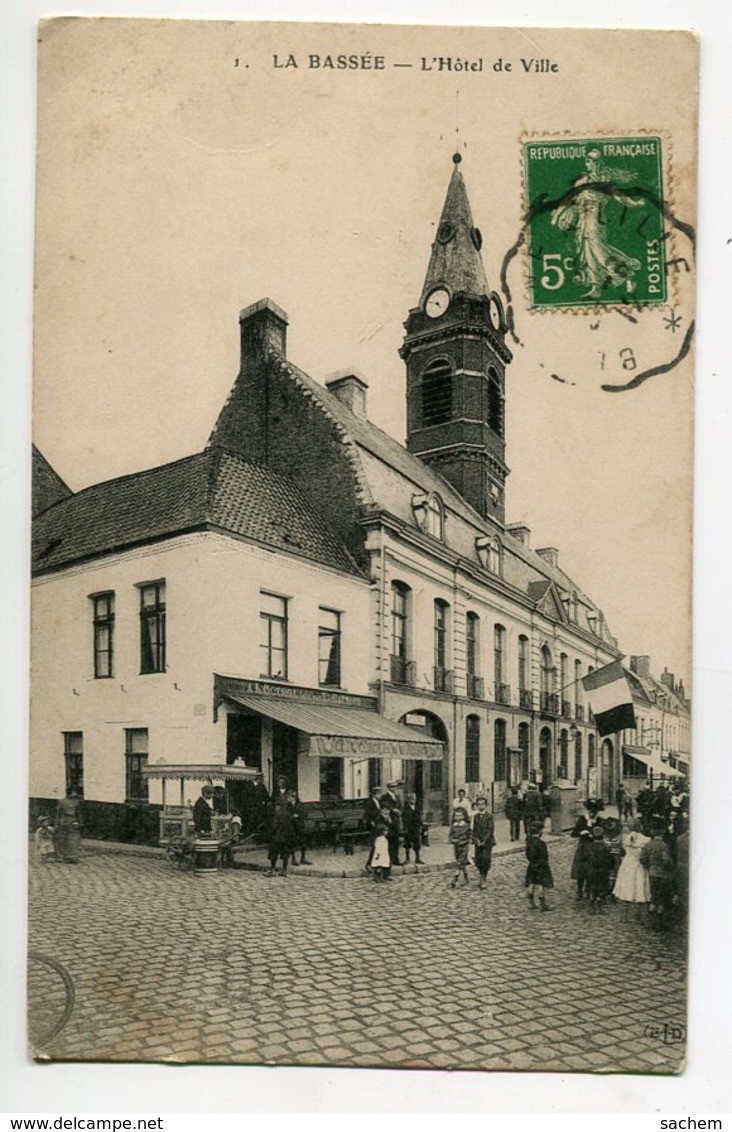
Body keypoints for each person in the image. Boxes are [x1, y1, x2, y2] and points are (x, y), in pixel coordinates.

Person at [612, 818, 650, 920]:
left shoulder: (626, 839)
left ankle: (623, 916)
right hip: (639, 865)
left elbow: (624, 851)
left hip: (628, 864)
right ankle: (639, 916)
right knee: (639, 887)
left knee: (627, 887)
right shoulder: (645, 839)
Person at [640, 821, 675, 928]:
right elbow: (666, 860)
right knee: (662, 898)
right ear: (661, 834)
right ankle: (658, 921)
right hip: (662, 874)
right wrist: (669, 868)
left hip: (652, 873)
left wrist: (649, 866)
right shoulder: (663, 846)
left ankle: (650, 919)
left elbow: (642, 859)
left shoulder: (648, 845)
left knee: (654, 895)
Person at [585, 825, 615, 914]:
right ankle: (600, 907)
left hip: (591, 871)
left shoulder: (589, 847)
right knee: (602, 889)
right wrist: (610, 868)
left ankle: (592, 907)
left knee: (592, 888)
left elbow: (585, 858)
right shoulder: (605, 848)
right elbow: (610, 860)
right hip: (603, 871)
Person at [265, 792, 297, 876]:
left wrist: (270, 833)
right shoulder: (288, 814)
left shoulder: (278, 815)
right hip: (287, 837)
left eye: (277, 805)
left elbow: (274, 826)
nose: (276, 807)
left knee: (273, 853)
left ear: (280, 806)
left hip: (277, 837)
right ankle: (284, 870)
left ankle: (272, 870)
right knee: (285, 854)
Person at [525, 821, 553, 911]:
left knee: (531, 883)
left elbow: (527, 854)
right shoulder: (541, 844)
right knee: (540, 884)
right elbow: (545, 856)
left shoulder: (529, 843)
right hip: (540, 866)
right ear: (540, 832)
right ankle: (542, 904)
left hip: (532, 865)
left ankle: (531, 903)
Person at [471, 796, 495, 890]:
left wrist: (484, 840)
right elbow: (475, 829)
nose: (481, 806)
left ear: (485, 805)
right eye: (479, 804)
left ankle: (483, 877)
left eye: (482, 804)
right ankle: (481, 874)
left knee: (486, 859)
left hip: (487, 842)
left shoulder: (489, 816)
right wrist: (476, 839)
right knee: (478, 860)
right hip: (478, 842)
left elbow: (490, 829)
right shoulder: (476, 816)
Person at [54, 791, 83, 863]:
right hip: (63, 819)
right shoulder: (61, 801)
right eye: (73, 792)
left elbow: (79, 812)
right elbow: (58, 813)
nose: (75, 794)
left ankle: (72, 856)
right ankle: (63, 855)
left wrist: (80, 822)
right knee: (63, 838)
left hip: (73, 819)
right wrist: (56, 824)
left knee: (73, 838)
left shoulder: (77, 802)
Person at [381, 781, 403, 866]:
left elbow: (400, 805)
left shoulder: (396, 796)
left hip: (396, 820)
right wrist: (392, 809)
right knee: (389, 840)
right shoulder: (385, 797)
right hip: (389, 821)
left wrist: (400, 811)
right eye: (392, 787)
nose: (394, 788)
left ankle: (396, 859)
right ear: (389, 788)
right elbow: (384, 806)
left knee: (396, 840)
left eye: (395, 787)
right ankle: (389, 859)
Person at [449, 808, 471, 888]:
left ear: (463, 816)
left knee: (460, 862)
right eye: (456, 815)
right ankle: (466, 878)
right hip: (456, 846)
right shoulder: (454, 826)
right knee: (461, 863)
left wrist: (468, 840)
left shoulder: (466, 825)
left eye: (460, 815)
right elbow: (450, 836)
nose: (458, 817)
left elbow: (469, 835)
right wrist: (452, 840)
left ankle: (455, 878)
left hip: (464, 846)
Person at [363, 785, 383, 871]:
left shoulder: (379, 803)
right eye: (379, 794)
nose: (380, 795)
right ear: (374, 795)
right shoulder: (370, 803)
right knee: (375, 846)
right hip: (374, 827)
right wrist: (371, 822)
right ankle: (369, 863)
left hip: (379, 826)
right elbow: (367, 815)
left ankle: (377, 864)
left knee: (379, 846)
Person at [402, 792, 424, 864]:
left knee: (417, 843)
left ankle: (417, 858)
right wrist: (405, 828)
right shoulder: (406, 808)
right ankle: (407, 858)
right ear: (408, 800)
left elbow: (419, 817)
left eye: (414, 799)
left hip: (416, 827)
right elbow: (404, 819)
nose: (413, 801)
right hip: (409, 828)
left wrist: (420, 826)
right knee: (407, 843)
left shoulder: (417, 807)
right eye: (412, 799)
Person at [371, 815, 391, 882]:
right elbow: (378, 847)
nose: (386, 832)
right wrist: (378, 855)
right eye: (385, 831)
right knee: (378, 866)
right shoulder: (379, 839)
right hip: (380, 854)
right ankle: (376, 877)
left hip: (384, 854)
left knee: (382, 866)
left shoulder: (384, 838)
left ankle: (382, 877)